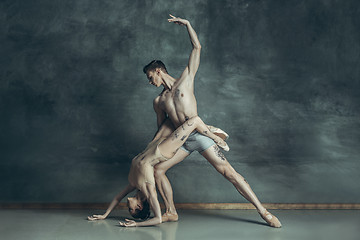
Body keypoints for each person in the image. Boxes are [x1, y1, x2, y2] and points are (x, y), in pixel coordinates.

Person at [144, 14, 281, 228]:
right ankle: (171, 212)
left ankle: (264, 212)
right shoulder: (158, 101)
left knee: (229, 173)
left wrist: (188, 25)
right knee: (157, 170)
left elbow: (196, 48)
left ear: (158, 71)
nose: (150, 82)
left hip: (198, 135)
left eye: (150, 77)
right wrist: (151, 150)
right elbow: (161, 128)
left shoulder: (186, 79)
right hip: (181, 140)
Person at [88, 116, 228, 227]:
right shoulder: (149, 188)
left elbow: (117, 198)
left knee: (168, 116)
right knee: (195, 121)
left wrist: (105, 215)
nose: (127, 208)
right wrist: (137, 224)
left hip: (152, 145)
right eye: (130, 210)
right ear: (139, 206)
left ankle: (199, 130)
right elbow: (158, 219)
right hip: (162, 150)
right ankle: (214, 136)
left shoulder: (133, 184)